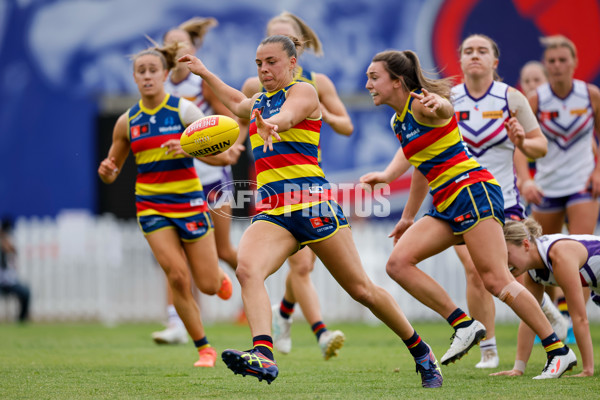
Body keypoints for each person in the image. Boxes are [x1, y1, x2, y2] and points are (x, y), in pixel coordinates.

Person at [179, 35, 444, 388]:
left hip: (313, 205)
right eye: (259, 63)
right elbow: (235, 101)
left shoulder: (303, 91)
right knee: (247, 270)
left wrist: (272, 123)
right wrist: (204, 73)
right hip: (274, 211)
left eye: (271, 62)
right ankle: (264, 355)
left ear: (291, 63)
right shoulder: (259, 102)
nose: (264, 69)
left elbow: (287, 117)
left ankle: (421, 351)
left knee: (362, 290)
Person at [359, 49, 576, 379]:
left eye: (374, 78)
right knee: (398, 263)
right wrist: (404, 210)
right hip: (446, 202)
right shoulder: (398, 120)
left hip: (471, 191)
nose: (368, 84)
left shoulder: (422, 103)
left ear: (397, 81)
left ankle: (558, 351)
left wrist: (441, 105)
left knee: (495, 280)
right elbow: (419, 164)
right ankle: (463, 323)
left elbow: (445, 110)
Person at [97, 41, 243, 367]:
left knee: (205, 285)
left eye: (153, 70)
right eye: (141, 72)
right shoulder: (127, 122)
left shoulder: (184, 110)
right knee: (177, 276)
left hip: (190, 202)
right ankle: (204, 348)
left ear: (165, 74)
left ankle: (216, 277)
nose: (147, 76)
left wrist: (190, 146)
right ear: (134, 78)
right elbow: (112, 170)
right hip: (151, 206)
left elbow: (220, 155)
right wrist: (107, 172)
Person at [240, 11, 353, 360]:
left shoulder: (314, 83)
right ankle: (310, 331)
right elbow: (239, 121)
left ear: (295, 48)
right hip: (270, 181)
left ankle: (286, 316)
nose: (265, 65)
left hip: (305, 178)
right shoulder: (255, 86)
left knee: (304, 266)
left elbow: (346, 125)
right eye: (263, 54)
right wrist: (228, 146)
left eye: (284, 37)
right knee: (284, 266)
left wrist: (316, 110)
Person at [449, 34, 563, 369]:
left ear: (494, 61)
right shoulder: (448, 99)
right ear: (460, 60)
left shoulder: (511, 98)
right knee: (475, 271)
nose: (474, 56)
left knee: (500, 273)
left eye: (482, 51)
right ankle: (489, 350)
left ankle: (548, 316)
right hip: (458, 199)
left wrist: (523, 142)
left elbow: (541, 146)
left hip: (504, 203)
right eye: (468, 51)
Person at [150, 16, 242, 345]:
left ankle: (256, 296)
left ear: (193, 49)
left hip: (212, 177)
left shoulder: (199, 84)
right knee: (175, 258)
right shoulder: (157, 87)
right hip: (178, 181)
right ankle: (178, 322)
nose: (177, 49)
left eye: (183, 44)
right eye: (171, 43)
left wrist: (233, 143)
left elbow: (230, 120)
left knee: (221, 251)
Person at [519, 35, 600, 337]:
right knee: (541, 265)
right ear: (546, 65)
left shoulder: (590, 95)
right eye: (551, 61)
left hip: (582, 185)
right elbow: (518, 146)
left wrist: (597, 172)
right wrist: (526, 180)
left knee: (580, 259)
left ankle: (575, 326)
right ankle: (553, 326)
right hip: (547, 188)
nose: (556, 66)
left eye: (562, 60)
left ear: (574, 63)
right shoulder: (536, 100)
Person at [491, 218, 594, 377]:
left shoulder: (559, 256)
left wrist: (587, 370)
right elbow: (529, 318)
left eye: (507, 254)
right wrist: (518, 369)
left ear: (526, 245)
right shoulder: (532, 271)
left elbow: (580, 318)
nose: (504, 262)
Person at [518, 60, 573, 343]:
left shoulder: (553, 113)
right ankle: (554, 317)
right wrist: (523, 180)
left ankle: (568, 318)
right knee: (540, 259)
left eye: (536, 79)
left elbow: (585, 144)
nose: (530, 86)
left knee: (559, 251)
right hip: (534, 194)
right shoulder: (518, 117)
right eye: (525, 81)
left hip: (562, 191)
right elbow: (514, 153)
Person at [0, 217, 30, 323]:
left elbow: (14, 252)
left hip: (10, 282)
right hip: (2, 282)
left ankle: (22, 319)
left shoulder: (9, 244)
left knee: (25, 292)